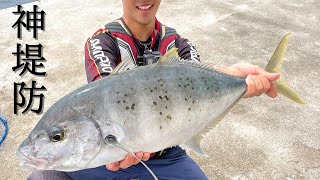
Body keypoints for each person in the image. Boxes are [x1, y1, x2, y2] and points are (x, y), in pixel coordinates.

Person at [28, 0, 279, 179]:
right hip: (107, 160)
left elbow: (197, 80)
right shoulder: (102, 41)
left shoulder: (178, 43)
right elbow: (104, 92)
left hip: (168, 155)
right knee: (44, 176)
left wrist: (239, 78)